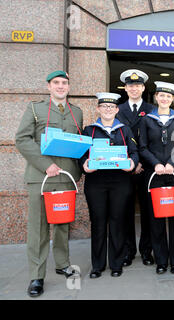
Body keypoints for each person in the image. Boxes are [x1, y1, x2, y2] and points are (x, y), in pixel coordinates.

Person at [15, 70, 83, 297]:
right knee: (39, 228)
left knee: (63, 224)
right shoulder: (35, 109)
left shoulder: (77, 112)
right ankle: (37, 275)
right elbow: (22, 139)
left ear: (69, 87)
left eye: (65, 83)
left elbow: (77, 142)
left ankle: (63, 263)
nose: (61, 86)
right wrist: (45, 165)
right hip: (41, 177)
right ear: (49, 86)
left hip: (66, 177)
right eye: (57, 83)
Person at [79, 92, 138, 278]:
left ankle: (116, 263)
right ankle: (97, 265)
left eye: (111, 107)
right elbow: (81, 153)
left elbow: (134, 152)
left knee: (117, 222)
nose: (108, 110)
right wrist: (84, 164)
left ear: (117, 110)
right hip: (96, 182)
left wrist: (132, 163)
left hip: (120, 182)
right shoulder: (89, 130)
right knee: (97, 222)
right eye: (104, 106)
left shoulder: (125, 130)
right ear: (98, 109)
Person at [139, 81, 174, 274]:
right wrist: (156, 164)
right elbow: (142, 147)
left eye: (168, 96)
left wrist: (171, 163)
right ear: (156, 98)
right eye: (162, 95)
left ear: (172, 99)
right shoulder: (146, 120)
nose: (165, 99)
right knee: (156, 216)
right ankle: (161, 260)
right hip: (154, 174)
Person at [116, 69, 155, 267]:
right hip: (125, 169)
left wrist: (141, 161)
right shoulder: (117, 109)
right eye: (130, 85)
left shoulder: (152, 109)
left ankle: (147, 251)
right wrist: (132, 162)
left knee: (149, 211)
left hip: (147, 168)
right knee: (125, 211)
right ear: (125, 88)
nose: (134, 88)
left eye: (138, 85)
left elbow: (154, 140)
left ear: (143, 88)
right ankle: (128, 251)